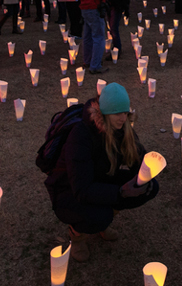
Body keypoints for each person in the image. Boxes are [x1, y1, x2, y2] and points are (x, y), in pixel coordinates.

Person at [45, 83, 160, 262]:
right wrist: (120, 192)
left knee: (150, 187)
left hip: (98, 179)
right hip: (68, 191)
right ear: (105, 113)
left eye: (125, 113)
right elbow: (82, 189)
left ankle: (102, 221)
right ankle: (77, 234)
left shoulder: (122, 128)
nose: (123, 118)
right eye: (117, 113)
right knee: (101, 215)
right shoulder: (81, 135)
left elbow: (138, 159)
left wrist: (146, 171)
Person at [79, 0, 110, 74]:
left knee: (87, 36)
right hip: (92, 8)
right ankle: (95, 65)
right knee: (98, 37)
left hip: (85, 7)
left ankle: (88, 60)